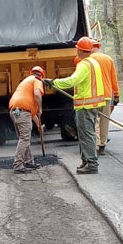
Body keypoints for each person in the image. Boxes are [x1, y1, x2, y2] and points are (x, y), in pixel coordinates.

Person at [46, 37, 107, 174]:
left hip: (86, 105)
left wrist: (54, 83)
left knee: (86, 135)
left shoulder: (84, 64)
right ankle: (86, 161)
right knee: (86, 134)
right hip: (92, 104)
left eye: (77, 49)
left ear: (80, 50)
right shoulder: (94, 63)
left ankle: (91, 164)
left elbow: (73, 81)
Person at [8, 66, 45, 173]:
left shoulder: (26, 81)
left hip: (15, 111)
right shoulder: (37, 80)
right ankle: (18, 164)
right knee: (24, 138)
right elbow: (37, 94)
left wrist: (39, 126)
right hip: (22, 112)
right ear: (41, 76)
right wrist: (40, 108)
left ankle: (29, 161)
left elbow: (31, 113)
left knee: (23, 138)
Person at [91, 41, 120, 156]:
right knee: (104, 121)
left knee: (95, 120)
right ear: (98, 47)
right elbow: (114, 79)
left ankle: (96, 145)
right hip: (107, 95)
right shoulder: (108, 59)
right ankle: (102, 145)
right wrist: (116, 94)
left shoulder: (88, 60)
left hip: (94, 95)